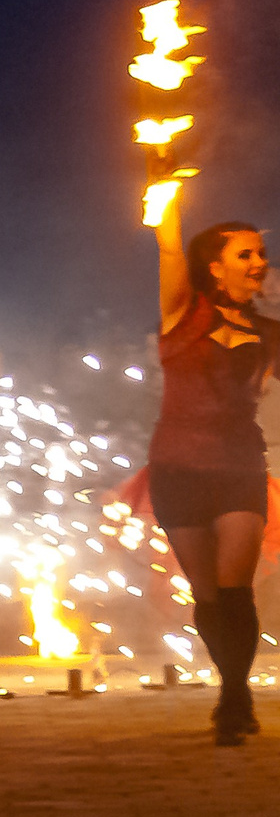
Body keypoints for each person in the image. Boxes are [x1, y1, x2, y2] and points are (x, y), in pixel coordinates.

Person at [141, 201, 276, 744]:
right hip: (178, 469)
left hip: (241, 466)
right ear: (215, 266)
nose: (259, 261)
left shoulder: (271, 332)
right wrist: (161, 166)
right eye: (245, 253)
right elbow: (168, 245)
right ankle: (233, 690)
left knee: (235, 588)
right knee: (209, 595)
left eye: (262, 252)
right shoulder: (183, 312)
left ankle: (234, 696)